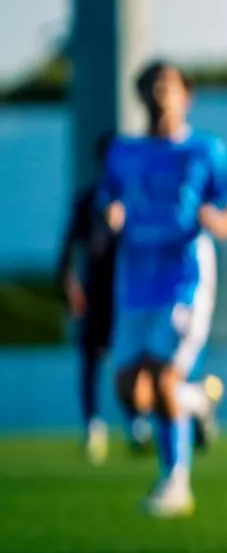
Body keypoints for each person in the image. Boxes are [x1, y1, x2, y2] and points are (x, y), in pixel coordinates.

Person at [97, 61, 227, 518]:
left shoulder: (205, 150)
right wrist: (108, 219)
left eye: (168, 85)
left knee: (164, 378)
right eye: (151, 85)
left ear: (187, 96)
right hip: (135, 281)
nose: (160, 93)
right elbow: (106, 202)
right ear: (140, 95)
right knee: (132, 392)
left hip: (184, 278)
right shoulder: (122, 152)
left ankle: (175, 484)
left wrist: (222, 222)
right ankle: (198, 400)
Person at [56, 133, 125, 463]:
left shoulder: (135, 199)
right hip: (96, 294)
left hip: (128, 295)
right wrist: (70, 286)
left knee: (130, 359)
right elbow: (68, 249)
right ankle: (93, 425)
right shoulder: (86, 201)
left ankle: (138, 423)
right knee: (90, 360)